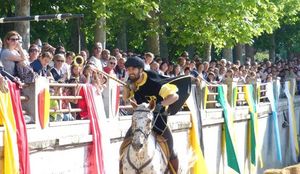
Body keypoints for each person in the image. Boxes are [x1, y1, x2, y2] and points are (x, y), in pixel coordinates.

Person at [122, 56, 182, 172]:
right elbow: (125, 98)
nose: (130, 72)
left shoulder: (155, 82)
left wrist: (160, 105)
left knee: (172, 150)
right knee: (124, 146)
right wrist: (126, 86)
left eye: (133, 69)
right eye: (128, 69)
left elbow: (175, 96)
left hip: (159, 119)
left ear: (141, 70)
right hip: (140, 121)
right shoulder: (131, 82)